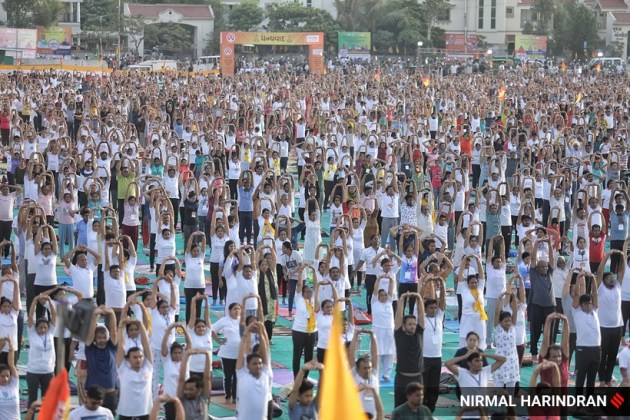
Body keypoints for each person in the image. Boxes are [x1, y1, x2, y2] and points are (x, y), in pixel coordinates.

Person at [116, 318, 153, 420]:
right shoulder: (123, 368)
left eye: (140, 357)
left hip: (145, 412)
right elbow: (121, 346)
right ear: (128, 359)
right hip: (126, 413)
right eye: (135, 357)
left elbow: (146, 345)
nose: (138, 359)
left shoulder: (148, 367)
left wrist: (140, 324)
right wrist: (121, 326)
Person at [393, 292, 425, 408]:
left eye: (414, 324)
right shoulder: (399, 334)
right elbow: (398, 316)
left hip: (417, 378)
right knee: (399, 407)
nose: (412, 326)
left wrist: (419, 298)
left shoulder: (419, 333)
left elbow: (421, 315)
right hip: (402, 378)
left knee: (417, 408)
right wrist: (402, 298)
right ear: (403, 325)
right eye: (410, 324)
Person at [572, 272, 601, 396]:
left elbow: (595, 294)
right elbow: (577, 294)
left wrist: (593, 278)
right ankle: (578, 400)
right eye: (586, 303)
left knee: (591, 378)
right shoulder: (577, 312)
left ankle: (589, 400)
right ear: (581, 304)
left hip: (596, 349)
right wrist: (579, 279)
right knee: (581, 377)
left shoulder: (594, 311)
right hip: (583, 349)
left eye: (590, 303)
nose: (589, 305)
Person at [235, 321, 272, 420]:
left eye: (260, 363)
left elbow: (265, 350)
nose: (258, 366)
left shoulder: (265, 374)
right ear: (248, 366)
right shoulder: (242, 375)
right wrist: (246, 332)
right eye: (255, 364)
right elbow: (241, 353)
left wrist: (261, 332)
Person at [212, 302, 242, 404]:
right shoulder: (224, 321)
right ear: (229, 311)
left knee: (237, 375)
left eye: (238, 309)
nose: (237, 311)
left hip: (239, 353)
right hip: (226, 354)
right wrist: (219, 342)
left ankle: (235, 396)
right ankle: (228, 395)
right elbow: (212, 330)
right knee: (228, 376)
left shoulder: (242, 321)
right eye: (234, 309)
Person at [177, 348, 211, 420]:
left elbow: (207, 378)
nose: (187, 392)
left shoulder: (203, 398)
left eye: (191, 389)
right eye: (186, 389)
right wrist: (186, 355)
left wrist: (207, 355)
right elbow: (181, 379)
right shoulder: (182, 399)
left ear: (199, 389)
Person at [0, 337, 18, 420]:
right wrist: (1, 346)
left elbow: (11, 364)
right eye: (2, 376)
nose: (6, 379)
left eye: (7, 376)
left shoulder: (14, 385)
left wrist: (10, 346)